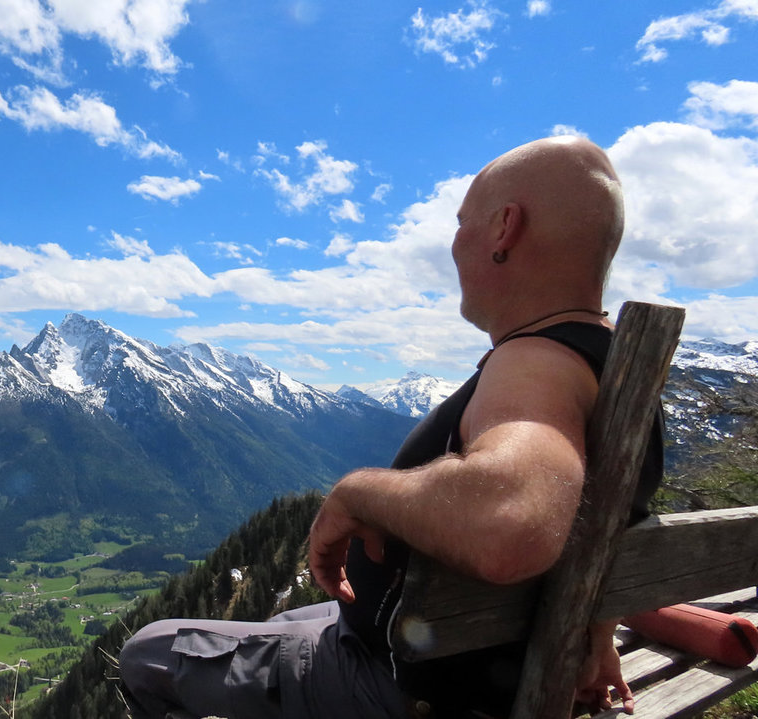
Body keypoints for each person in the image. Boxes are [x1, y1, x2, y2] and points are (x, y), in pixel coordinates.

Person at [118, 135, 663, 719]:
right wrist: (597, 633)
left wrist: (361, 492)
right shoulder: (617, 367)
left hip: (409, 685)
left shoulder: (534, 364)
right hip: (450, 654)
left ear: (505, 227)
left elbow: (511, 523)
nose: (454, 245)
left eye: (461, 224)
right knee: (281, 622)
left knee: (147, 652)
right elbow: (616, 520)